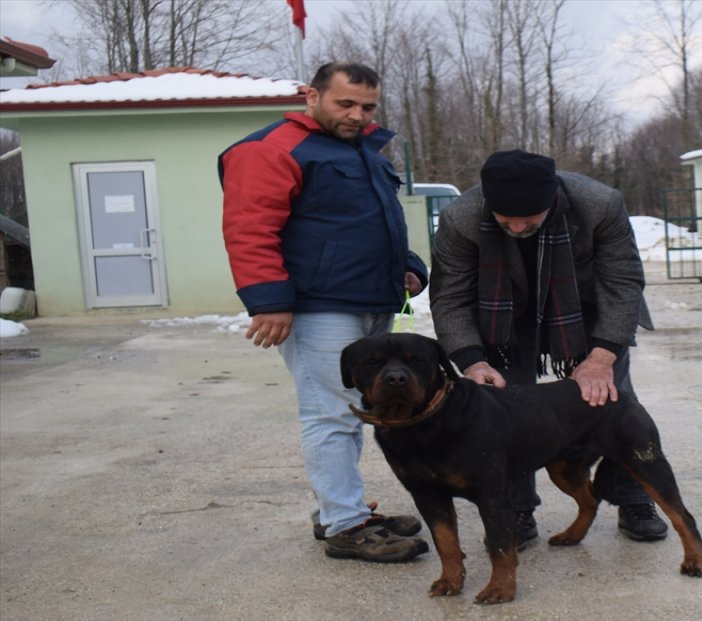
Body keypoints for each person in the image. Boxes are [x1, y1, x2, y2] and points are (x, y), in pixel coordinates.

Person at [219, 61, 431, 561]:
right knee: (331, 414)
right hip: (319, 306)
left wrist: (409, 267)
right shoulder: (270, 149)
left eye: (368, 106)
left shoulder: (364, 152)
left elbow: (377, 224)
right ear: (310, 97)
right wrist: (268, 300)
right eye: (346, 103)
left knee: (354, 412)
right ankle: (345, 524)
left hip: (372, 302)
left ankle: (339, 509)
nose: (358, 115)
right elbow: (250, 227)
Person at [428, 149, 668, 547]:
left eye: (530, 219)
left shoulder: (598, 203)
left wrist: (602, 355)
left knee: (612, 399)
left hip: (583, 304)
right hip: (502, 311)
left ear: (552, 201)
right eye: (506, 221)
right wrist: (472, 361)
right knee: (502, 407)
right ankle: (517, 509)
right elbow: (450, 298)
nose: (519, 227)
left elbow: (622, 282)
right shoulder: (461, 217)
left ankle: (633, 498)